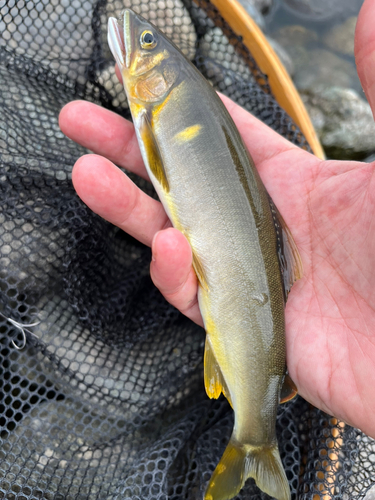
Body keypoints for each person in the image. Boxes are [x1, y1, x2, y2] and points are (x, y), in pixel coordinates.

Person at [59, 0, 375, 440]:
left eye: (148, 43)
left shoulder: (166, 101)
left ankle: (253, 438)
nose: (139, 41)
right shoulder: (167, 96)